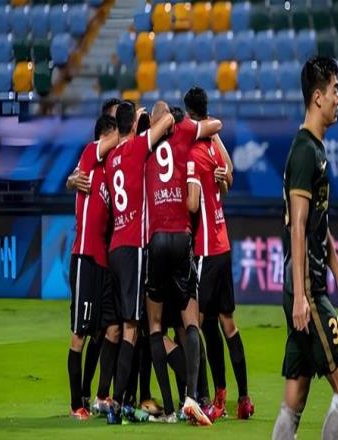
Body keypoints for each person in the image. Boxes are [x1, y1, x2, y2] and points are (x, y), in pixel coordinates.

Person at [272, 56, 338, 440]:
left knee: (296, 392)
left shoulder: (314, 149)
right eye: (335, 90)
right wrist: (301, 296)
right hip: (307, 288)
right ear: (317, 97)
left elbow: (318, 226)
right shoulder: (306, 152)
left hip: (308, 284)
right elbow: (298, 227)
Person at [145, 100, 221, 424]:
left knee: (155, 326)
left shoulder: (144, 145)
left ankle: (168, 407)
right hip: (181, 237)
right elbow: (215, 125)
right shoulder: (185, 136)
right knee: (191, 322)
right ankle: (192, 396)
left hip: (155, 239)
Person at [185, 86, 254, 420]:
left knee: (197, 322)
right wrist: (224, 178)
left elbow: (191, 203)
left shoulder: (192, 151)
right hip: (223, 243)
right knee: (226, 322)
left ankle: (211, 398)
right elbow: (228, 175)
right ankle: (244, 398)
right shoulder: (213, 145)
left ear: (188, 115)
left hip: (206, 249)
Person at [104, 101, 175, 424]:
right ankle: (117, 404)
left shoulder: (111, 158)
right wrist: (146, 117)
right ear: (132, 124)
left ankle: (124, 399)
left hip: (115, 247)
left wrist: (132, 120)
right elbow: (168, 119)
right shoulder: (135, 148)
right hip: (134, 246)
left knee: (126, 327)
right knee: (132, 329)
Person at [67, 114, 120, 419]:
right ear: (104, 136)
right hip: (85, 258)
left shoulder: (110, 174)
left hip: (103, 263)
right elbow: (113, 139)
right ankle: (76, 403)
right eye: (113, 135)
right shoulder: (90, 154)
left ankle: (99, 395)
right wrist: (131, 127)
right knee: (80, 334)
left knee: (110, 330)